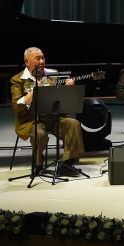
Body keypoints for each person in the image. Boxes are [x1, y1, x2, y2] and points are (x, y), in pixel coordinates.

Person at [10, 47, 85, 176]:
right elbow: (17, 107)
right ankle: (38, 163)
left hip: (53, 117)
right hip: (32, 119)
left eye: (43, 58)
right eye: (37, 58)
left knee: (73, 124)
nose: (41, 61)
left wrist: (68, 88)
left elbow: (60, 98)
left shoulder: (53, 74)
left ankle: (67, 163)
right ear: (27, 62)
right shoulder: (18, 80)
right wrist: (35, 91)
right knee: (39, 134)